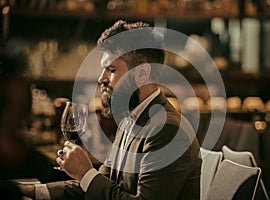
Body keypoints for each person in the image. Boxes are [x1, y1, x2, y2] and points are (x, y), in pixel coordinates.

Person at [20, 20, 201, 200]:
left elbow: (96, 184)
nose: (101, 79)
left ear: (141, 73)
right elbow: (100, 187)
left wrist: (86, 173)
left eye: (111, 70)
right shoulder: (131, 118)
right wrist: (31, 191)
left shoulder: (167, 130)